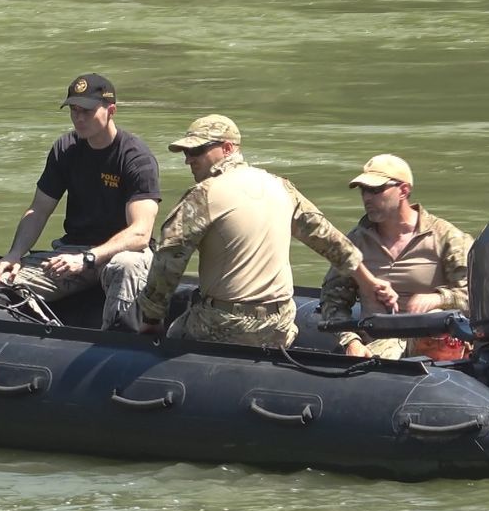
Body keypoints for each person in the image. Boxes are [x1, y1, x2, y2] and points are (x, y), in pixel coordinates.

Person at [136, 114, 397, 347]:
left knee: (173, 335)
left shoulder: (203, 195)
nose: (188, 160)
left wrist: (152, 317)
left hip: (225, 323)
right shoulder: (282, 187)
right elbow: (329, 240)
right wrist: (369, 281)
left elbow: (168, 258)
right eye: (186, 153)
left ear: (227, 148)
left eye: (198, 151)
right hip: (279, 324)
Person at [0, 73, 161, 331]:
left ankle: (118, 342)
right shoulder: (65, 148)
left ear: (111, 110)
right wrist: (14, 254)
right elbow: (39, 209)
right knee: (4, 282)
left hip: (120, 254)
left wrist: (88, 258)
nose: (79, 118)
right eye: (74, 110)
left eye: (87, 111)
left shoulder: (135, 157)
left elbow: (140, 233)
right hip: (74, 250)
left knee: (126, 265)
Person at [319, 153, 474, 359]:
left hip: (432, 344)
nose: (367, 198)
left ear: (403, 190)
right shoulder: (356, 242)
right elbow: (333, 301)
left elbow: (475, 298)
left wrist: (438, 298)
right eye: (364, 190)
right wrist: (351, 341)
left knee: (436, 320)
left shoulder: (447, 237)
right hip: (378, 345)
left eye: (376, 190)